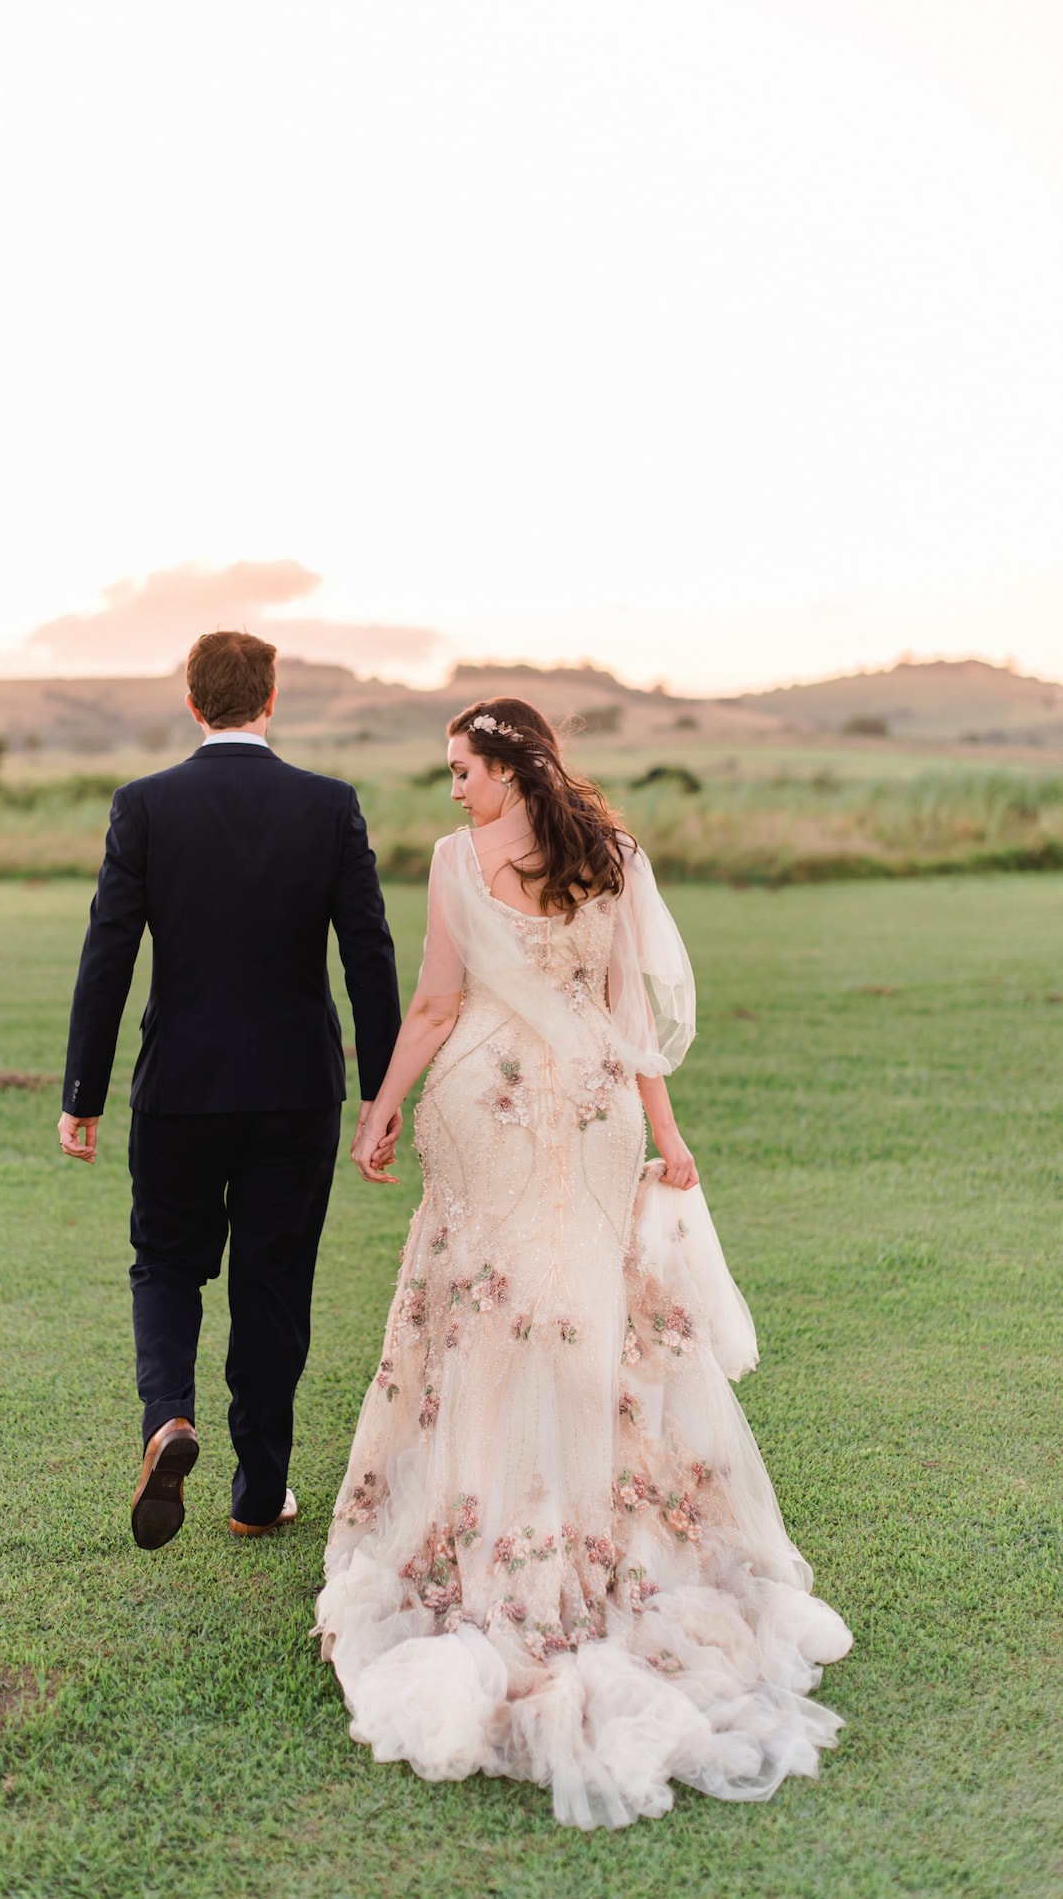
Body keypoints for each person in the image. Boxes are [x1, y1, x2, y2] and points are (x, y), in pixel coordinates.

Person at [317, 697, 852, 1830]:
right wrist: (661, 1130)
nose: (452, 786)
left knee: (492, 1319)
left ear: (510, 768)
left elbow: (433, 1002)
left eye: (463, 767)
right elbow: (627, 1026)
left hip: (494, 1106)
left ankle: (503, 1536)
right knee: (573, 1314)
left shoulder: (458, 863)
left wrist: (382, 1104)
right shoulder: (611, 856)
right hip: (592, 1112)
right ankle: (559, 1527)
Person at [57, 630, 402, 1548]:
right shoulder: (329, 806)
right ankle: (259, 1494)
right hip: (296, 1088)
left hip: (179, 1085)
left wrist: (83, 1091)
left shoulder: (146, 805)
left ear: (193, 701)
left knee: (166, 1261)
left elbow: (109, 951)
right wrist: (383, 1088)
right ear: (272, 697)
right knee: (273, 1282)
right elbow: (367, 949)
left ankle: (168, 1417)